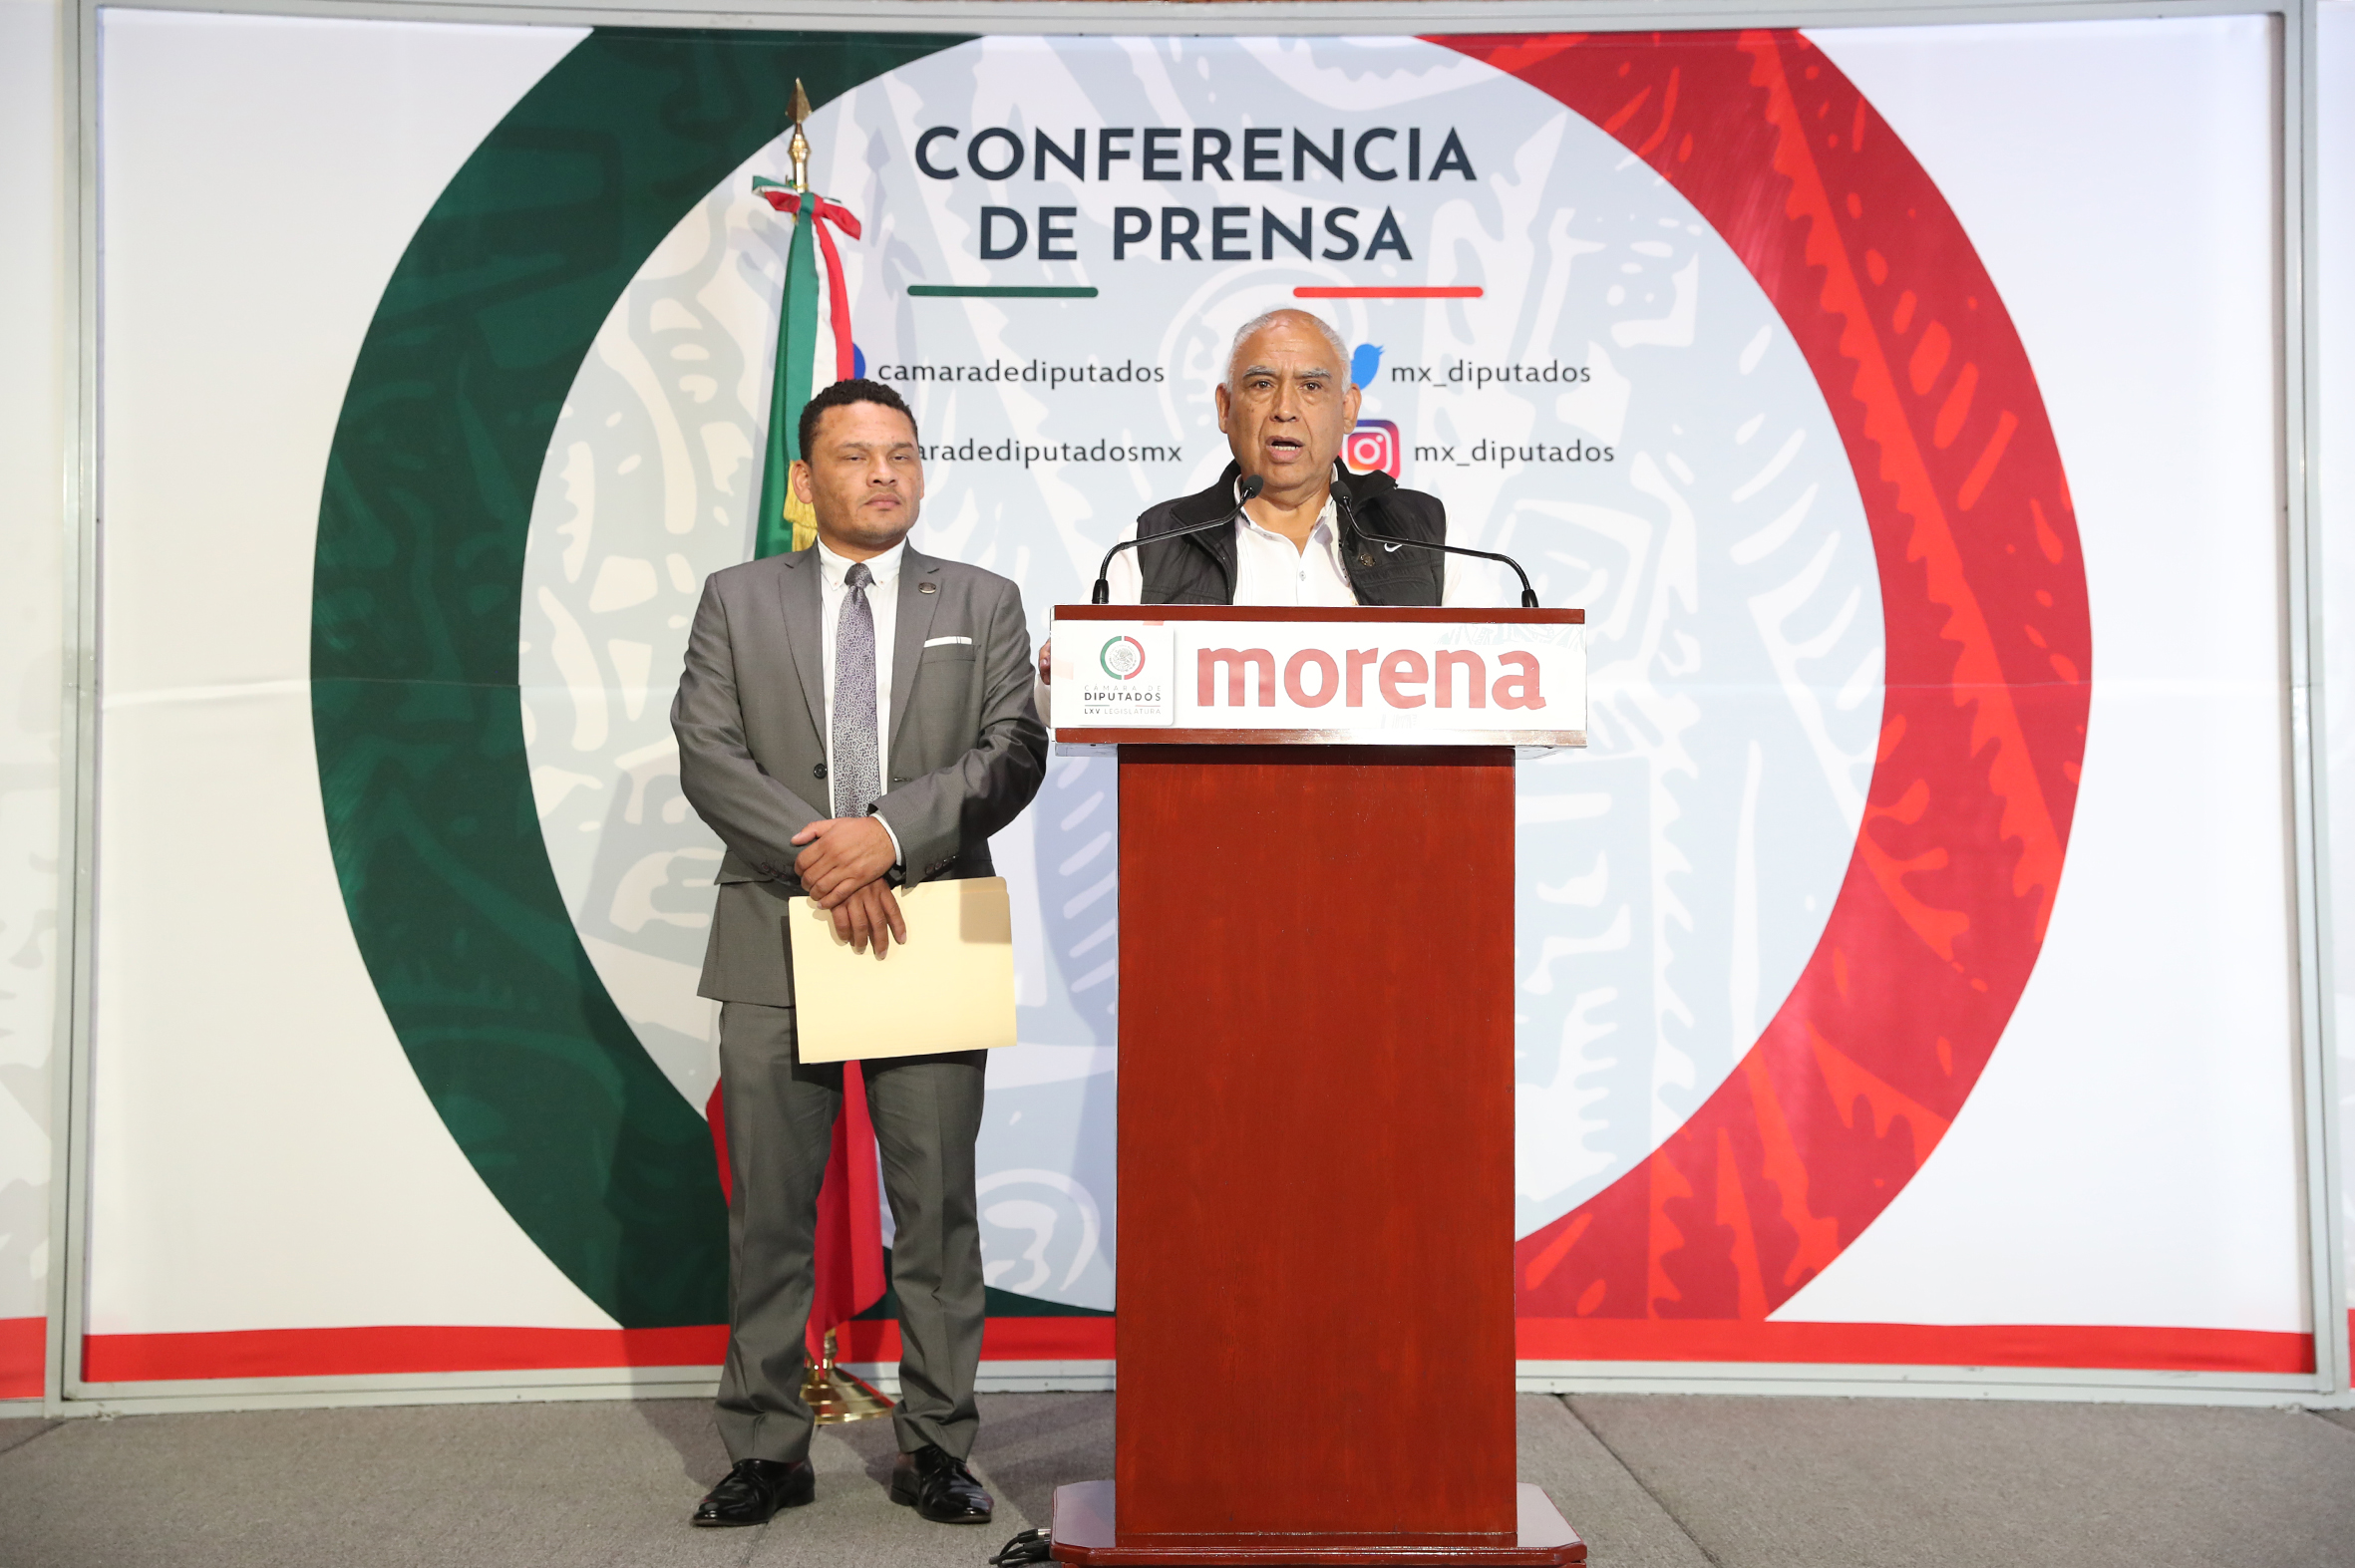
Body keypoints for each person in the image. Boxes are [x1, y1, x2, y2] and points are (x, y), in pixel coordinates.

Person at [672, 378, 1048, 1529]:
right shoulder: (736, 598)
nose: (884, 473)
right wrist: (829, 858)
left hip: (927, 926)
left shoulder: (982, 599)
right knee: (769, 1215)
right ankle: (765, 1449)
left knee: (935, 1212)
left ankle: (936, 1446)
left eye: (902, 453)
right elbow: (707, 750)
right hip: (773, 931)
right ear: (805, 478)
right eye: (855, 455)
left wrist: (885, 837)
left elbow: (1011, 750)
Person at [1038, 308, 1503, 693]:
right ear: (1225, 407)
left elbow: (1505, 675)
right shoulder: (1155, 543)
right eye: (1262, 384)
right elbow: (1060, 699)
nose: (1285, 408)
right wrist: (1064, 670)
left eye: (1311, 386)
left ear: (1348, 410)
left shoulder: (1425, 533)